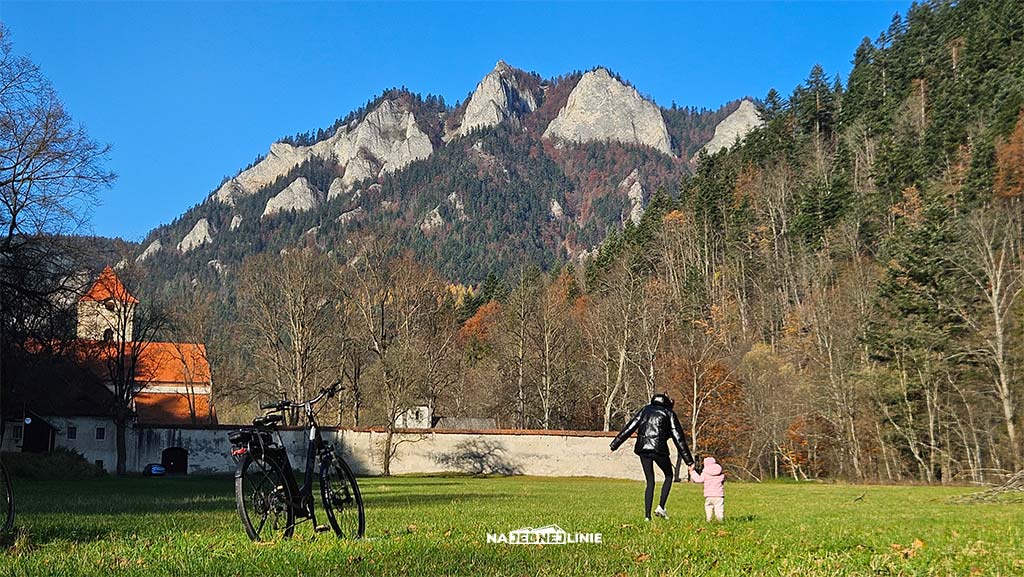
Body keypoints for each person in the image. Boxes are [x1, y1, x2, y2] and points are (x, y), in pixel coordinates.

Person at [610, 393, 694, 521]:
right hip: (659, 450)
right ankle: (661, 507)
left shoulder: (645, 409)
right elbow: (679, 438)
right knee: (669, 475)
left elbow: (630, 427)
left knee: (650, 481)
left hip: (643, 449)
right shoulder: (669, 413)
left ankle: (647, 516)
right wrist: (689, 461)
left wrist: (614, 444)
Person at [689, 456, 726, 522]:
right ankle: (720, 519)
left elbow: (698, 479)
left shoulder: (705, 473)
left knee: (708, 507)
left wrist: (692, 472)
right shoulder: (721, 474)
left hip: (709, 495)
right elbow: (723, 481)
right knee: (719, 508)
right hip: (719, 495)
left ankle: (709, 519)